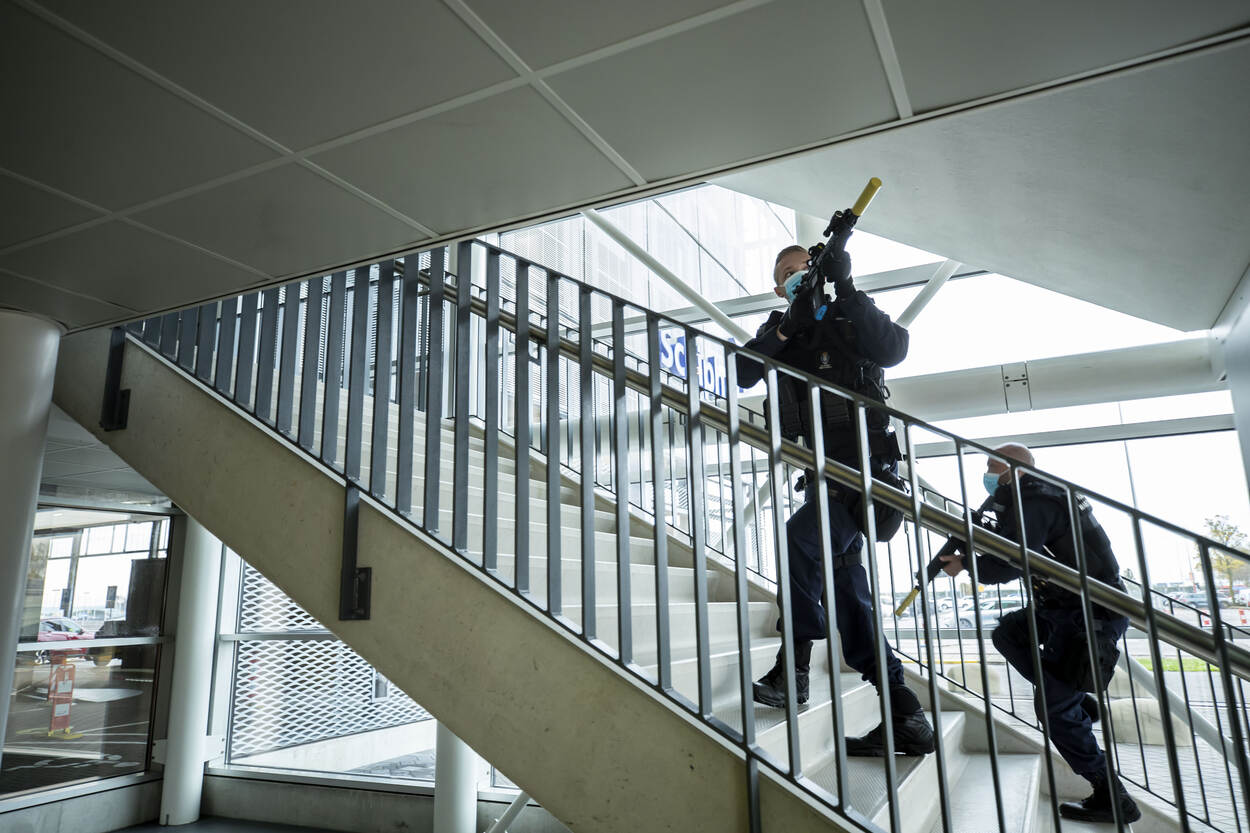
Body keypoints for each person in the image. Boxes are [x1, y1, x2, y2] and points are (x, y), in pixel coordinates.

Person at [735, 244, 934, 757]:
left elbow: (894, 348)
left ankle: (793, 670)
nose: (796, 276)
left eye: (803, 268)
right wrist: (788, 326)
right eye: (786, 273)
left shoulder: (849, 312)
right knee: (852, 604)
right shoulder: (784, 327)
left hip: (865, 472)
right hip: (824, 475)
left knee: (798, 539)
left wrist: (846, 287)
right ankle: (906, 716)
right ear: (778, 288)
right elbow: (743, 372)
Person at [940, 443, 1141, 823]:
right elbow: (1014, 544)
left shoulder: (1036, 500)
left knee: (1053, 712)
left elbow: (1013, 562)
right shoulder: (1031, 497)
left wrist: (966, 565)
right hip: (1062, 607)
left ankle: (1113, 796)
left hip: (1090, 613)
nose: (987, 475)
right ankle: (1076, 702)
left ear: (1016, 469)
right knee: (1009, 634)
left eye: (993, 466)